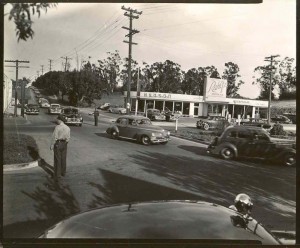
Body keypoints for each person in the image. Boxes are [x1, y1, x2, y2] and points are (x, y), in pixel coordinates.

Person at [50, 115, 70, 181]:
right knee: (63, 158)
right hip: (64, 144)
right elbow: (68, 138)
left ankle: (57, 175)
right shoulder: (67, 128)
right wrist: (65, 143)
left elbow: (54, 137)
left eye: (58, 120)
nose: (57, 121)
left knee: (57, 159)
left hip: (58, 143)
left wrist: (52, 145)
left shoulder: (57, 127)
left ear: (60, 120)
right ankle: (63, 172)